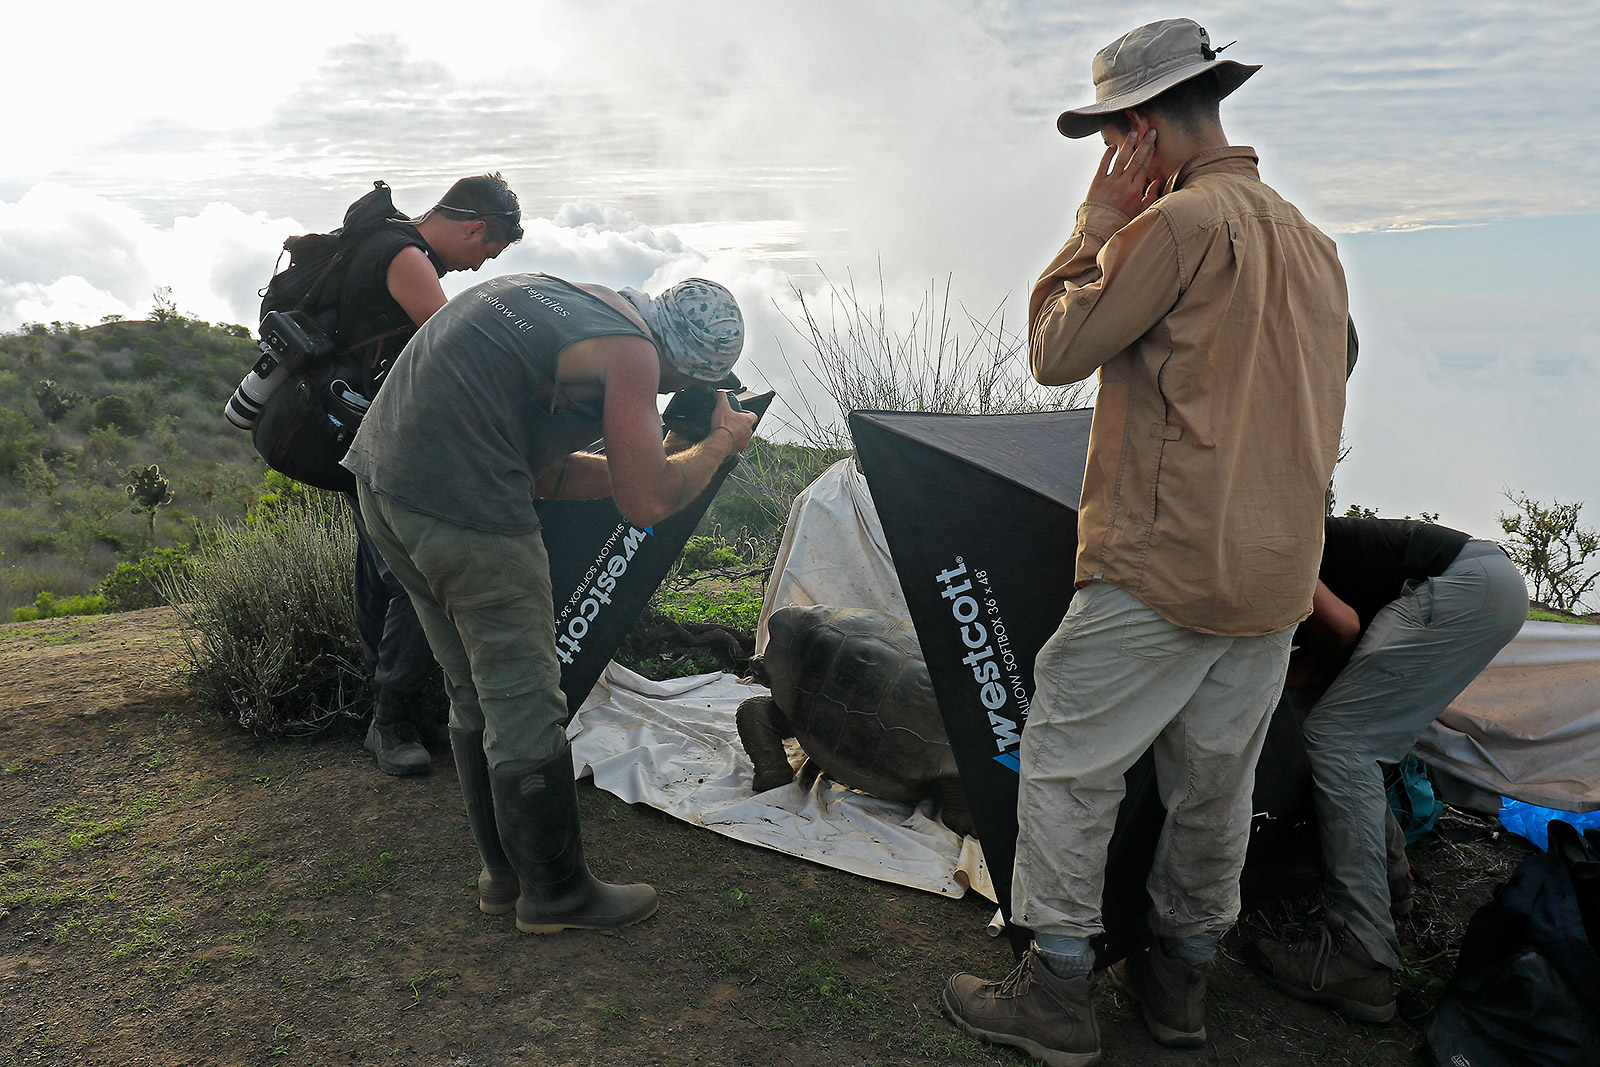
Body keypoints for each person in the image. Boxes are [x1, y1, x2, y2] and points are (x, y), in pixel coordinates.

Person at [942, 19, 1349, 1066]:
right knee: (1215, 786)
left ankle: (1059, 994)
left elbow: (1054, 350)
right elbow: (1326, 372)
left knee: (1070, 767)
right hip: (1272, 574)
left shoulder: (1167, 228)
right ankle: (1180, 989)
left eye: (1108, 143)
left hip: (1162, 564)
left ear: (1134, 129)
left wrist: (1090, 227)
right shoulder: (1312, 242)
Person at [341, 272, 757, 933]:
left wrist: (662, 453)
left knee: (475, 687)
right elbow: (646, 503)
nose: (666, 390)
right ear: (685, 364)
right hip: (464, 504)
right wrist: (721, 444)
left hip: (387, 487)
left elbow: (549, 472)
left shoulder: (574, 301)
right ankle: (556, 893)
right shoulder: (634, 353)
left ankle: (505, 874)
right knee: (525, 698)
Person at [1248, 517, 1527, 1021]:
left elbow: (1343, 627)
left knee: (1340, 742)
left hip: (1456, 587)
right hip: (1485, 586)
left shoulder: (1264, 539)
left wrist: (1291, 679)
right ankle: (1392, 886)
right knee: (1349, 738)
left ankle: (1360, 955)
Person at [340, 173, 524, 776]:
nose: (476, 266)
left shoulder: (386, 243)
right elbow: (451, 350)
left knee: (382, 569)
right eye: (485, 252)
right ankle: (390, 721)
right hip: (364, 436)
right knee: (412, 572)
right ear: (473, 227)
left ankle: (395, 714)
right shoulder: (405, 257)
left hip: (347, 430)